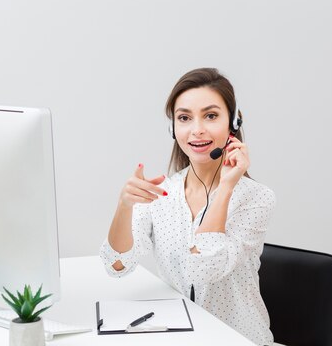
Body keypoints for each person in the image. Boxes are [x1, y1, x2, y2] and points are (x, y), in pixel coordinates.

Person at [100, 67, 276, 345]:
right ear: (173, 128)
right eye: (184, 118)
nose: (197, 130)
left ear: (233, 123)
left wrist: (227, 186)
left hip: (238, 338)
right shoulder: (162, 193)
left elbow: (203, 268)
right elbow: (117, 264)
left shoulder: (256, 197)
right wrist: (124, 206)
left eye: (211, 115)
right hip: (179, 336)